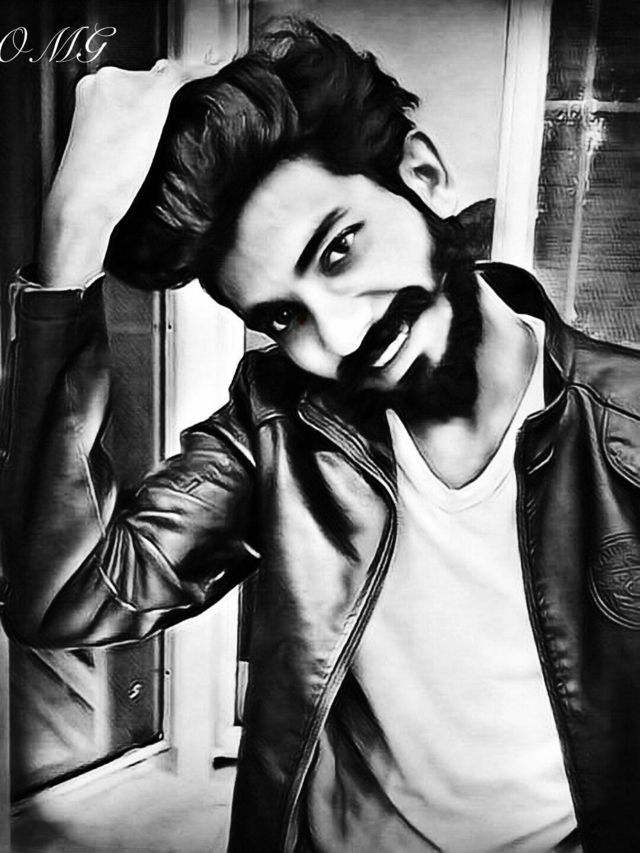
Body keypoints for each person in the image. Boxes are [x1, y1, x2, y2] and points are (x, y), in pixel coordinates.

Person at [1, 20, 639, 853]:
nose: (340, 334)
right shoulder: (279, 421)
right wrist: (69, 239)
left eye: (337, 251)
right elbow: (65, 597)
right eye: (281, 316)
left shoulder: (627, 424)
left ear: (423, 175)